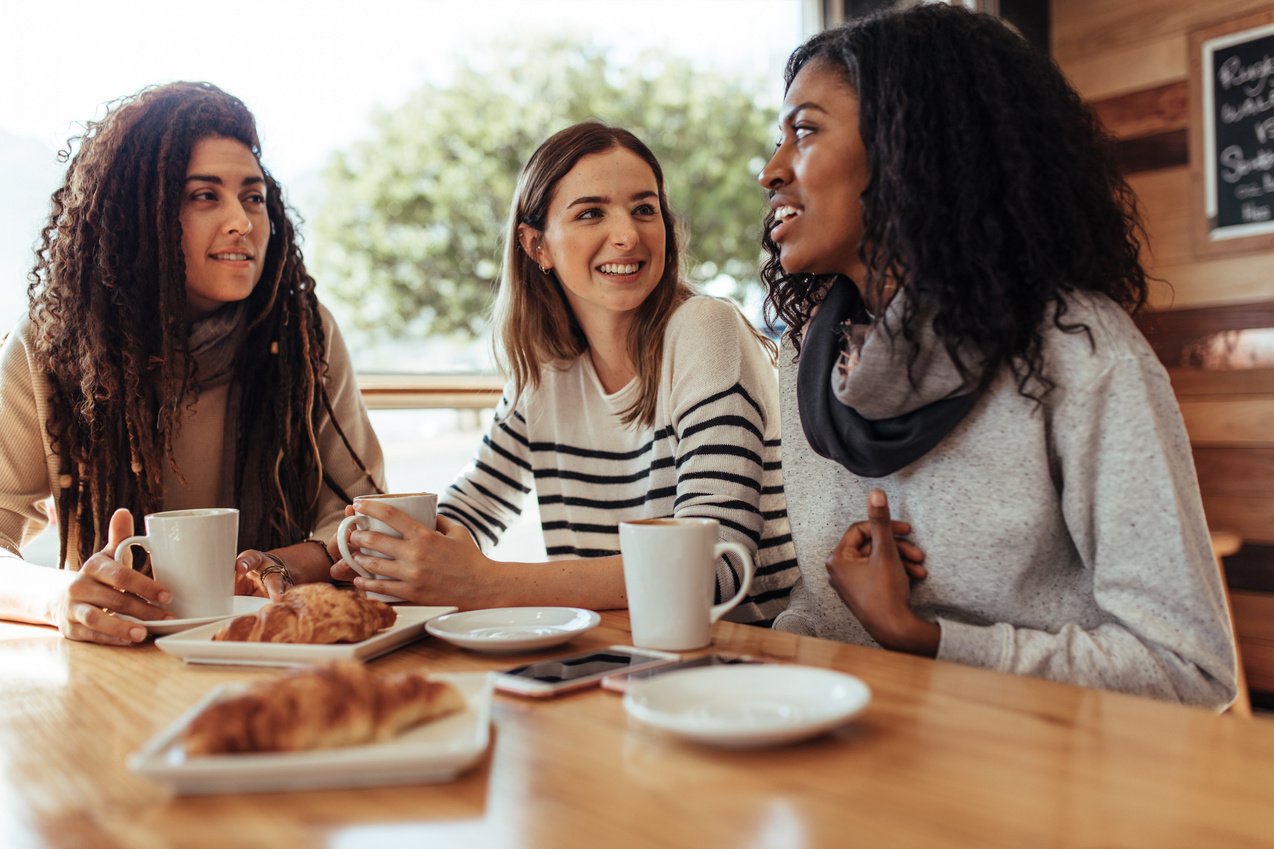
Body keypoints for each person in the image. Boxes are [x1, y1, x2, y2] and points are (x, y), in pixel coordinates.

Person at [758, 5, 1237, 708]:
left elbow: (1190, 667)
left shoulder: (1078, 350)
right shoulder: (807, 358)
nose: (771, 171)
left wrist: (924, 636)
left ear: (910, 145)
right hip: (846, 767)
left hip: (1024, 789)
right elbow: (823, 624)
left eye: (805, 131)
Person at [331, 121, 798, 624]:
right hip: (618, 655)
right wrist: (396, 552)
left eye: (644, 209)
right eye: (591, 213)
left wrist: (484, 584)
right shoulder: (545, 371)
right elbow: (469, 513)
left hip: (747, 656)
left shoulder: (706, 328)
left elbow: (712, 568)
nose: (627, 235)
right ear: (537, 246)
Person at [0, 82, 384, 645]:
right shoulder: (52, 347)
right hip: (113, 663)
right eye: (205, 196)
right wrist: (59, 598)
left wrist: (272, 569)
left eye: (253, 197)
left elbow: (361, 518)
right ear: (136, 215)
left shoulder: (304, 334)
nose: (242, 222)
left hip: (269, 650)